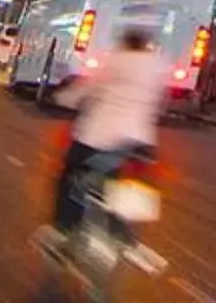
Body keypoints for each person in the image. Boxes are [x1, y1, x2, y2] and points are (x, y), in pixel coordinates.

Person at [45, 21, 164, 247]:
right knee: (126, 183)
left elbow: (84, 91)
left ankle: (64, 228)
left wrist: (61, 99)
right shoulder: (155, 67)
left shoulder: (114, 61)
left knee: (70, 176)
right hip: (138, 142)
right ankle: (122, 233)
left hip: (98, 137)